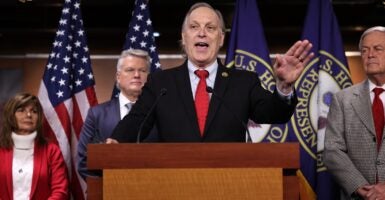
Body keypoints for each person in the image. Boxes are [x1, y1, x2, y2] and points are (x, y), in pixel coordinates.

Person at [107, 2, 313, 143]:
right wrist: (115, 141)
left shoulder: (243, 81)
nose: (202, 33)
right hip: (173, 181)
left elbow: (273, 113)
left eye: (210, 27)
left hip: (229, 182)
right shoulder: (161, 82)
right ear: (184, 36)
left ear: (221, 38)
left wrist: (284, 86)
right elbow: (137, 120)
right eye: (194, 27)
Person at [323, 26, 385, 200]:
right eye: (364, 50)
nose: (370, 54)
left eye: (377, 49)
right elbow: (332, 150)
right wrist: (359, 186)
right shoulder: (342, 99)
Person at [77, 49, 153, 180]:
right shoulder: (97, 114)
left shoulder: (159, 112)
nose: (136, 75)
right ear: (118, 76)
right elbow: (85, 161)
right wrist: (112, 187)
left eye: (142, 70)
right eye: (130, 70)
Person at [0, 93, 68, 199]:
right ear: (10, 115)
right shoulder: (1, 149)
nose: (28, 115)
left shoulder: (51, 150)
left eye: (34, 111)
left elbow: (60, 191)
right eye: (21, 110)